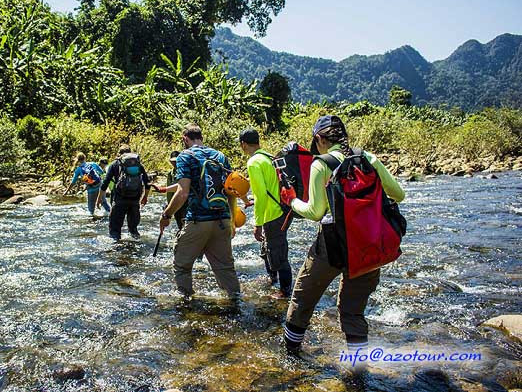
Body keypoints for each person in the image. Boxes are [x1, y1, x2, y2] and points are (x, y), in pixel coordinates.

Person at [280, 115, 405, 356]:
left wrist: (292, 200)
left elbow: (315, 212)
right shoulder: (368, 158)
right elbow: (398, 195)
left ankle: (291, 355)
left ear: (319, 139)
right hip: (368, 245)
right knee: (353, 311)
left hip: (331, 246)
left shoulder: (321, 164)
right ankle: (358, 369)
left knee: (302, 300)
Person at [159, 124, 241, 299]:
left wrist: (166, 215)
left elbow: (183, 192)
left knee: (182, 265)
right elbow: (231, 190)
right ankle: (236, 303)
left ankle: (186, 304)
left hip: (197, 220)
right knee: (225, 268)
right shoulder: (220, 156)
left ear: (185, 139)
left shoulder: (185, 156)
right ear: (201, 137)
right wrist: (232, 220)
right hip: (222, 219)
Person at [240, 128, 293, 299]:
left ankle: (285, 291)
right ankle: (273, 280)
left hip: (272, 214)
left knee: (278, 251)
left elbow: (261, 194)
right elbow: (271, 188)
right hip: (283, 210)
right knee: (269, 248)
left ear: (243, 144)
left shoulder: (254, 162)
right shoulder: (269, 157)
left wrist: (257, 224)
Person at [97, 145, 151, 240]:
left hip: (119, 200)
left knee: (115, 230)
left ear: (119, 153)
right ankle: (135, 248)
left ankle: (116, 250)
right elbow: (147, 182)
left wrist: (100, 198)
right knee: (133, 230)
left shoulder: (115, 164)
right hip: (135, 200)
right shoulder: (138, 164)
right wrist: (145, 197)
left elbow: (105, 183)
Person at [152, 151, 188, 231]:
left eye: (176, 161)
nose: (174, 163)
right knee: (180, 225)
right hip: (175, 204)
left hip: (185, 204)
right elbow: (169, 193)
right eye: (172, 161)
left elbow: (181, 188)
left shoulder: (185, 172)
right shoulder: (170, 174)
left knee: (185, 226)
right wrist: (169, 206)